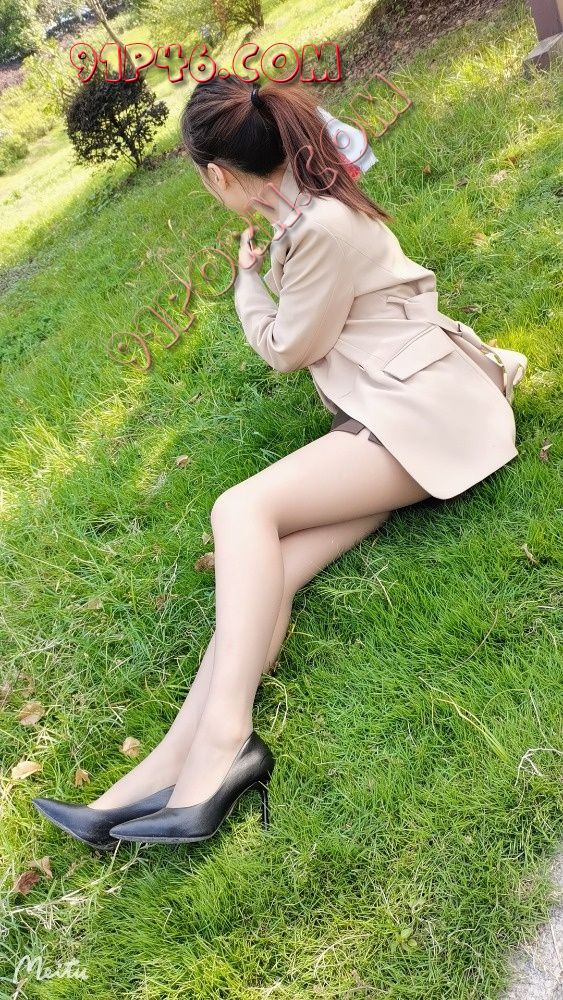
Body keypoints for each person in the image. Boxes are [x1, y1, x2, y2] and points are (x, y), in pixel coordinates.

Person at [33, 76, 527, 850]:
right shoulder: (306, 212)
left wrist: (244, 285)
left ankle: (226, 741)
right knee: (269, 571)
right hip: (396, 413)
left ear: (217, 174)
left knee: (240, 509)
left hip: (428, 417)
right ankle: (156, 776)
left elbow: (286, 348)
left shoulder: (320, 224)